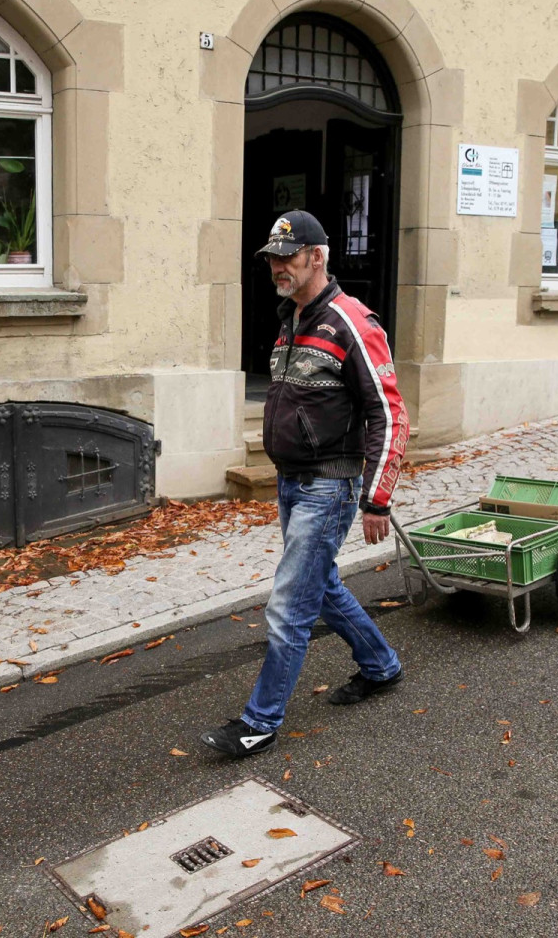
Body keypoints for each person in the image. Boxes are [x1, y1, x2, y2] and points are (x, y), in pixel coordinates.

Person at [201, 209, 410, 757]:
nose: (277, 267)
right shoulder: (292, 318)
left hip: (328, 486)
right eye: (271, 258)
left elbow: (390, 415)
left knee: (290, 605)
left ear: (317, 257)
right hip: (292, 483)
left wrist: (377, 499)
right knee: (322, 587)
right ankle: (381, 665)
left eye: (287, 257)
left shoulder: (352, 322)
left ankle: (259, 722)